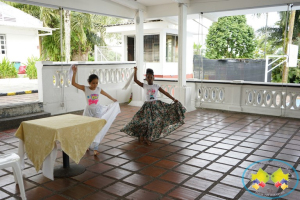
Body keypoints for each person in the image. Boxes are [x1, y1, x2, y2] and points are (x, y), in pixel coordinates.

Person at [120, 67, 186, 145]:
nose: (150, 78)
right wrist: (135, 71)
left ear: (153, 77)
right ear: (146, 78)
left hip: (156, 106)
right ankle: (142, 135)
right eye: (148, 77)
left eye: (151, 77)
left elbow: (165, 93)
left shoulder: (156, 86)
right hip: (147, 107)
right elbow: (135, 80)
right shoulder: (144, 85)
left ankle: (149, 138)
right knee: (143, 121)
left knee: (153, 122)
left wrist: (174, 99)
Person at [71, 65, 120, 155]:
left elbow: (106, 94)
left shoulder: (98, 89)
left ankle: (95, 147)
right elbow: (73, 83)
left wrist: (113, 99)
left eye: (96, 83)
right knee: (87, 128)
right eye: (93, 83)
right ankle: (86, 144)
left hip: (98, 110)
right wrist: (74, 73)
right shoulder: (85, 88)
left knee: (97, 128)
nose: (95, 85)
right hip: (88, 111)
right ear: (89, 82)